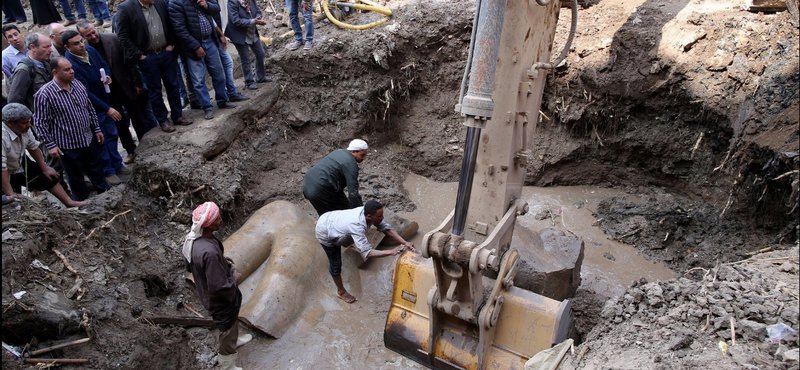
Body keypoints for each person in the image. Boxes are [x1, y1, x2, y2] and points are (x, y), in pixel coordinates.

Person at [183, 202, 252, 370]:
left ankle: (235, 338)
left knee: (232, 320)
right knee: (227, 325)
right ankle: (227, 362)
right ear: (210, 224)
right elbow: (219, 287)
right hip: (218, 300)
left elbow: (191, 265)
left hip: (208, 289)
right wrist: (234, 278)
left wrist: (222, 260)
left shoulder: (196, 240)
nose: (221, 219)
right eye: (218, 217)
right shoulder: (209, 253)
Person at [33, 57, 110, 201]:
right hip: (67, 145)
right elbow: (40, 123)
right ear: (55, 72)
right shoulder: (45, 94)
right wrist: (51, 145)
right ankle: (82, 204)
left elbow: (89, 109)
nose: (72, 72)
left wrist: (97, 129)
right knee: (76, 177)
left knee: (97, 169)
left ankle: (107, 196)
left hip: (88, 138)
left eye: (71, 68)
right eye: (67, 70)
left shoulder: (78, 84)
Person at [63, 30, 130, 185]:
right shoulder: (71, 65)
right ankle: (108, 171)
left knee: (112, 135)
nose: (81, 45)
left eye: (81, 41)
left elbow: (104, 65)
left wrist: (107, 76)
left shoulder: (90, 51)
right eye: (76, 43)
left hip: (105, 99)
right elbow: (84, 93)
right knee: (101, 140)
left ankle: (117, 164)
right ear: (67, 47)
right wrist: (107, 108)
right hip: (93, 109)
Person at [315, 199, 415, 303]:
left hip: (330, 218)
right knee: (335, 265)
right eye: (379, 216)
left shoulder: (367, 212)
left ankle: (320, 222)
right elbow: (367, 253)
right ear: (369, 217)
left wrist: (405, 242)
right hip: (325, 233)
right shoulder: (356, 226)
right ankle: (341, 292)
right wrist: (391, 252)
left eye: (382, 214)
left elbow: (386, 228)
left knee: (350, 237)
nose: (382, 218)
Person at [77, 20, 148, 164]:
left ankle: (146, 146)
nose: (93, 36)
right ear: (82, 36)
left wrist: (137, 83)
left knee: (138, 118)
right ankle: (130, 150)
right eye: (88, 35)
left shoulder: (113, 39)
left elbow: (130, 63)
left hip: (126, 86)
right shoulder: (84, 49)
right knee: (119, 123)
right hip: (107, 93)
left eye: (93, 32)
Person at [116, 0, 192, 132]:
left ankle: (177, 116)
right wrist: (139, 55)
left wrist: (171, 45)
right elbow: (123, 36)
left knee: (173, 85)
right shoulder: (126, 8)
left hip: (165, 52)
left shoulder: (160, 3)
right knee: (155, 90)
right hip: (147, 56)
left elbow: (170, 24)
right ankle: (163, 120)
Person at [2, 103, 90, 207]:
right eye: (24, 123)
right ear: (10, 123)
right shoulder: (3, 136)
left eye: (29, 121)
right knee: (10, 199)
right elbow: (2, 168)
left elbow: (33, 147)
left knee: (47, 177)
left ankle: (70, 202)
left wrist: (44, 168)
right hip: (4, 169)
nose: (29, 125)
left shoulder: (24, 129)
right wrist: (10, 193)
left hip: (18, 161)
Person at [169, 0, 236, 120]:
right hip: (192, 46)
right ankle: (207, 107)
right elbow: (180, 29)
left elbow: (216, 8)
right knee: (198, 79)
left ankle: (222, 100)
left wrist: (206, 5)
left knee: (219, 74)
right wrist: (195, 46)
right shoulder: (175, 3)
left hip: (210, 40)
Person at [303, 139, 369, 216]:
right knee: (346, 214)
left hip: (308, 185)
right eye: (362, 155)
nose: (364, 158)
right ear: (353, 151)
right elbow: (353, 193)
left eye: (365, 155)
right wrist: (360, 213)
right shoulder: (350, 164)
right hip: (321, 188)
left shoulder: (338, 152)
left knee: (327, 216)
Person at [225, 0, 271, 90]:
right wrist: (253, 21)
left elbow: (257, 11)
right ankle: (249, 81)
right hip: (239, 34)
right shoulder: (232, 2)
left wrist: (258, 17)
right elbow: (236, 21)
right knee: (245, 58)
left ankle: (260, 77)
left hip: (251, 32)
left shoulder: (251, 1)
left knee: (260, 53)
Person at [8, 32, 53, 108]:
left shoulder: (47, 63)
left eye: (50, 46)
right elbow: (14, 100)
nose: (50, 50)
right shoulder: (24, 70)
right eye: (46, 47)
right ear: (33, 47)